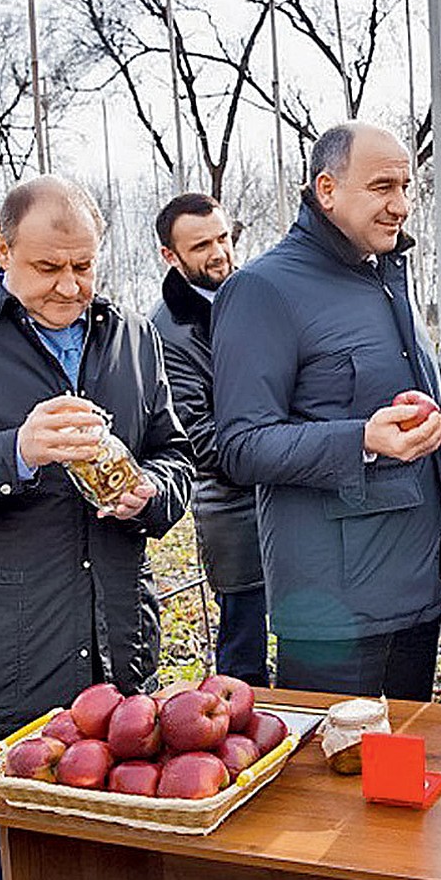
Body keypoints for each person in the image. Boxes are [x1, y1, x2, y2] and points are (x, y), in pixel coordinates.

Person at [0, 175, 194, 880]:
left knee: (116, 863)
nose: (69, 286)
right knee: (8, 867)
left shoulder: (132, 337)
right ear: (1, 249)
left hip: (115, 665)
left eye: (84, 266)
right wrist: (14, 452)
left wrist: (150, 494)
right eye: (48, 268)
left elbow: (177, 454)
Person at [211, 122, 441, 701]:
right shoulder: (264, 289)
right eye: (383, 187)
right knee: (336, 780)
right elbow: (240, 445)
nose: (401, 206)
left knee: (400, 770)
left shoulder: (383, 279)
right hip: (334, 605)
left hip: (413, 580)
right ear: (327, 189)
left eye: (408, 187)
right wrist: (363, 438)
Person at [150, 193, 268, 686]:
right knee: (244, 647)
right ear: (170, 256)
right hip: (233, 508)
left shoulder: (255, 297)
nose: (219, 252)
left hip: (289, 494)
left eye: (223, 238)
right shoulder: (167, 331)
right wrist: (282, 455)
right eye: (201, 245)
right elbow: (196, 434)